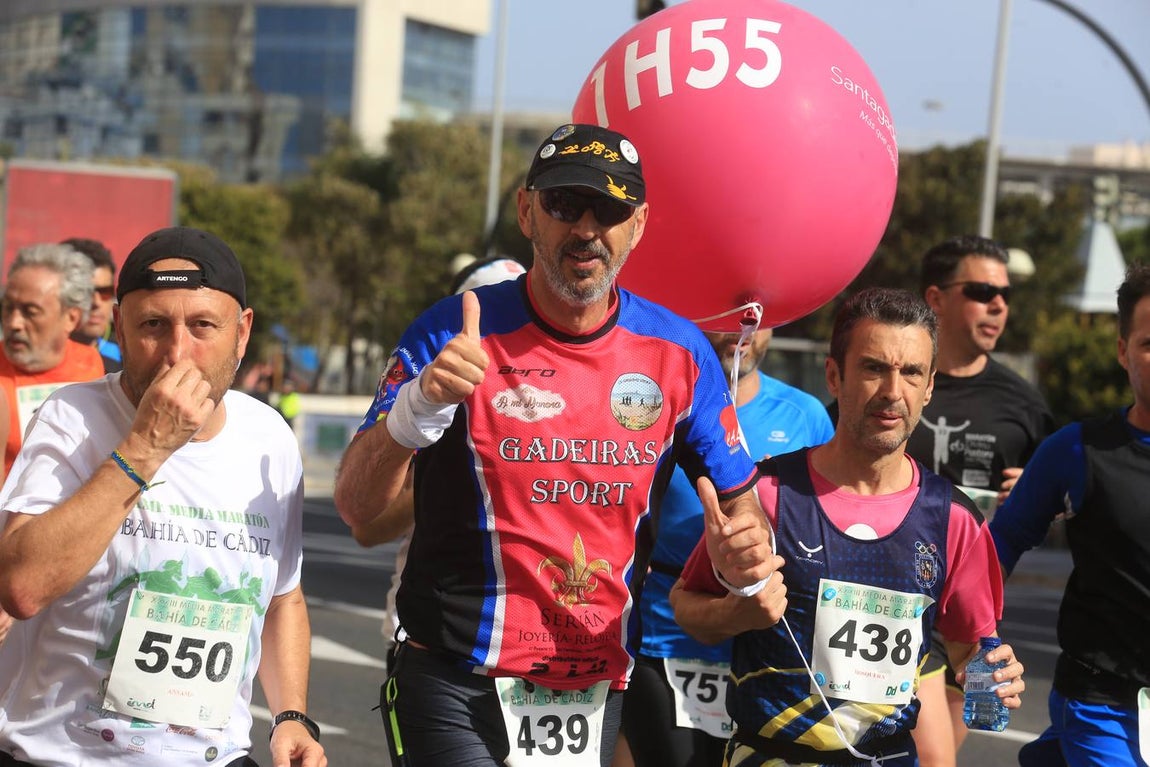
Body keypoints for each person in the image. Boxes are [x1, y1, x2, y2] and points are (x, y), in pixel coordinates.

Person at [333, 123, 774, 766]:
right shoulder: (451, 330)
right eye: (566, 205)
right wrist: (414, 410)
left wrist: (740, 560)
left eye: (611, 209)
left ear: (640, 222)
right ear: (526, 212)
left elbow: (744, 513)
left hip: (590, 690)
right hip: (453, 677)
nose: (587, 229)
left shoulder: (681, 354)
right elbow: (356, 507)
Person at [0, 226, 326, 767]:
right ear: (119, 332)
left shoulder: (269, 437)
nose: (178, 352)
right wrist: (147, 446)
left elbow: (282, 598)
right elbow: (21, 587)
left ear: (242, 334)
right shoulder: (70, 417)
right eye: (153, 325)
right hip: (61, 755)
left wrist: (291, 716)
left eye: (203, 326)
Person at [672, 287, 1026, 767]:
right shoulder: (768, 495)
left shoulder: (955, 520)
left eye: (911, 373)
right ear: (834, 376)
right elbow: (687, 606)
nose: (892, 391)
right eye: (874, 367)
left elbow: (969, 654)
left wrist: (995, 677)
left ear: (929, 387)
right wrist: (740, 614)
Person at [619, 327, 834, 767]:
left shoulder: (805, 414)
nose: (740, 336)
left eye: (755, 322)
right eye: (725, 320)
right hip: (666, 638)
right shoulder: (652, 402)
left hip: (774, 651)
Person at [989, 262, 1150, 767]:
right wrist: (973, 636)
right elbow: (1002, 542)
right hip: (1104, 699)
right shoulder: (1078, 450)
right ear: (1123, 352)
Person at [905, 235, 1053, 766]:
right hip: (885, 599)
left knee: (935, 758)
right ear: (936, 299)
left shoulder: (1024, 404)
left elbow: (1068, 501)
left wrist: (1034, 496)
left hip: (971, 617)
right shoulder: (891, 378)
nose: (998, 305)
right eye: (982, 290)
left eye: (1005, 294)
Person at [349, 255, 526, 672]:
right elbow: (367, 526)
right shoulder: (426, 399)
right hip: (430, 639)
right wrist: (458, 474)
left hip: (533, 649)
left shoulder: (546, 403)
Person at [0, 243, 105, 479]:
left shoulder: (91, 363)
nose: (14, 323)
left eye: (30, 311)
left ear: (71, 318)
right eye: (8, 308)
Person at [62, 237, 123, 373]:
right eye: (84, 292)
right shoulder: (26, 360)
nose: (96, 302)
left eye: (105, 292)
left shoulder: (127, 359)